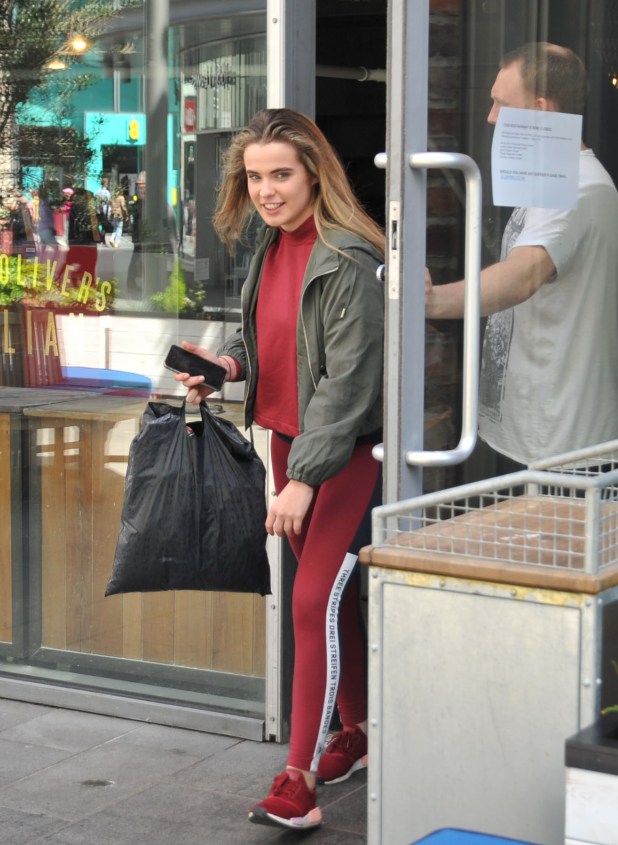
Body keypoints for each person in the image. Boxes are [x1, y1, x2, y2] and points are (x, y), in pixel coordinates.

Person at [172, 108, 387, 831]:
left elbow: (349, 386)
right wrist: (224, 364)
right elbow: (263, 334)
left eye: (280, 175)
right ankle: (355, 730)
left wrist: (304, 478)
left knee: (308, 601)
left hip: (343, 454)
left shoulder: (348, 255)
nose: (266, 190)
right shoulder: (272, 246)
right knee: (327, 604)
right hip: (290, 447)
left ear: (314, 173)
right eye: (255, 176)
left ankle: (296, 779)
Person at [425, 43, 618, 469]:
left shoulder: (574, 189)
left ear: (540, 110)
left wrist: (426, 302)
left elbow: (522, 277)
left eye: (501, 103)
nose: (491, 117)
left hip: (561, 447)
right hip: (539, 434)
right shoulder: (554, 182)